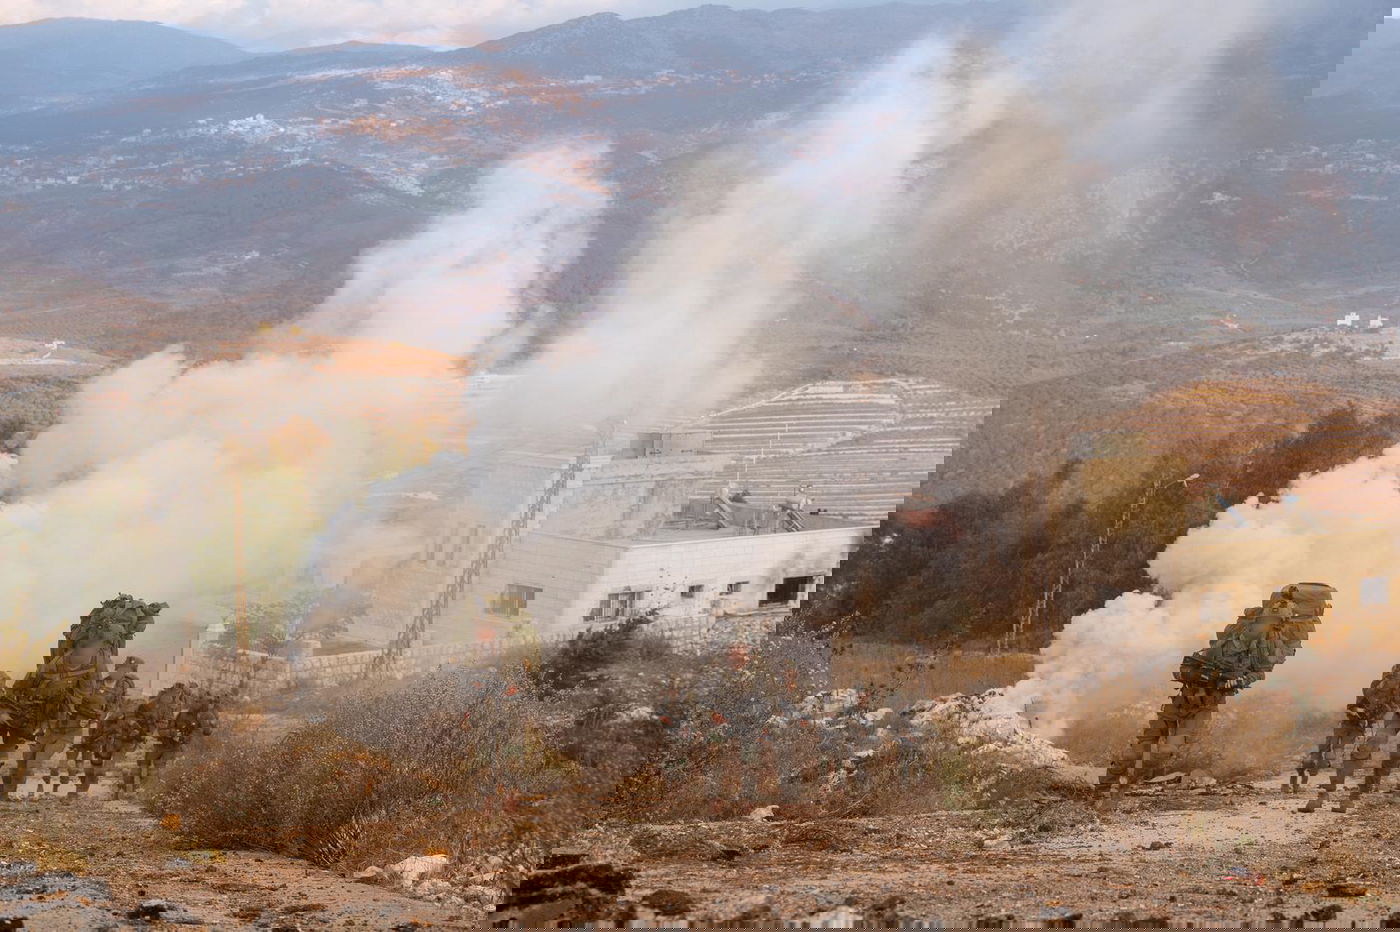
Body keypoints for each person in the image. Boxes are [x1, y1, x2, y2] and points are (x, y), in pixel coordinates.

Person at [1099, 583, 1334, 792]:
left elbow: (1243, 656)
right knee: (1167, 733)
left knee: (1165, 732)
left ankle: (1121, 777)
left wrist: (1226, 678)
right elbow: (1246, 657)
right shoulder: (1268, 628)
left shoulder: (1263, 625)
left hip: (1208, 681)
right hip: (1208, 682)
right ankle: (1120, 778)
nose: (1281, 607)